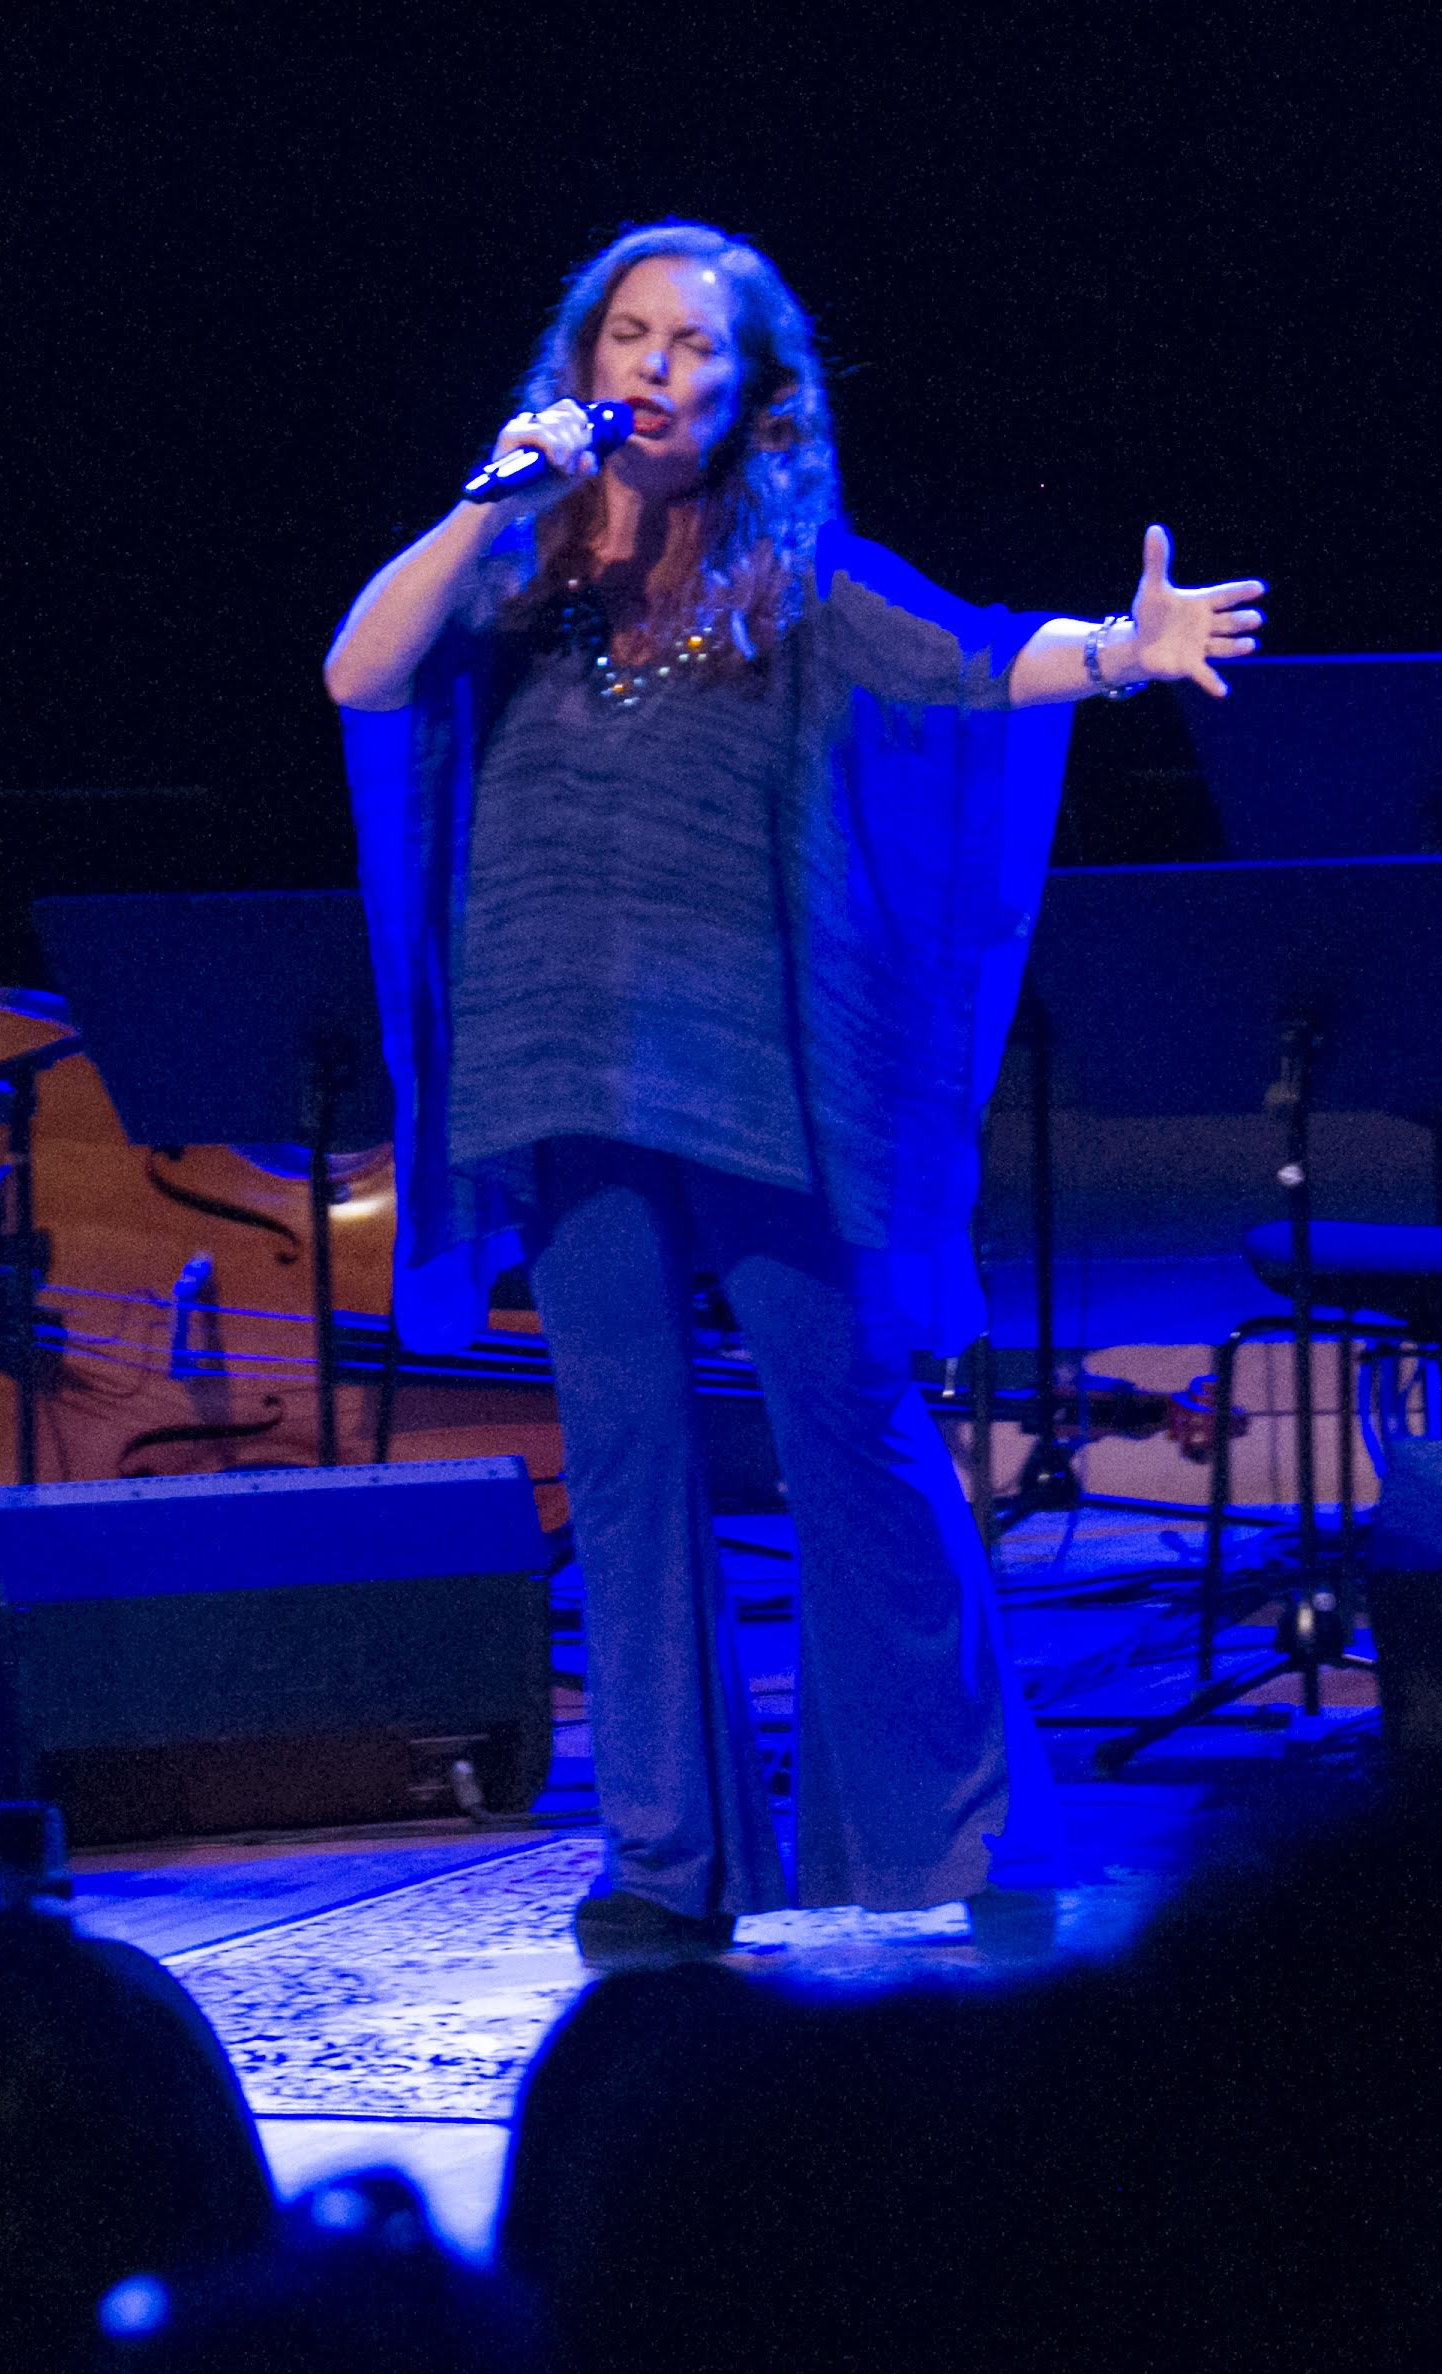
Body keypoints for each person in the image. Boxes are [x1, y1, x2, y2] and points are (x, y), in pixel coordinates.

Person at [327, 221, 1264, 1966]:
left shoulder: (797, 572)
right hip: (557, 1063)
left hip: (765, 1071)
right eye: (627, 337)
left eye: (692, 345)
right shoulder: (516, 563)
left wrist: (1126, 650)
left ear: (752, 389)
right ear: (583, 362)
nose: (654, 369)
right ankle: (663, 1866)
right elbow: (357, 674)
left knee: (849, 1426)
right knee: (623, 1458)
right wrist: (487, 499)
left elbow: (976, 657)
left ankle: (963, 1826)